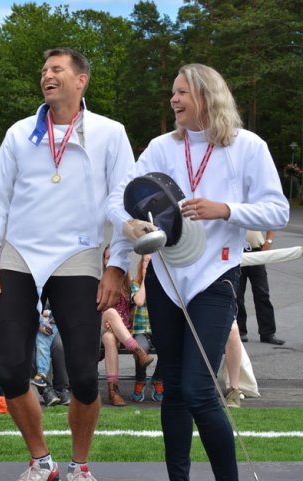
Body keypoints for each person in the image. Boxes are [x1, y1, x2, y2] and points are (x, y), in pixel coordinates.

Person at [107, 63, 289, 481]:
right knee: (172, 388)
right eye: (173, 92)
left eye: (182, 92)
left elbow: (277, 208)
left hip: (216, 277)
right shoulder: (159, 147)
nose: (174, 99)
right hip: (166, 280)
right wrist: (127, 224)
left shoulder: (248, 146)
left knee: (197, 388)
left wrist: (225, 209)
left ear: (208, 96)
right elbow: (118, 197)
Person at [0, 47, 135, 481]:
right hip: (21, 253)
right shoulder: (19, 133)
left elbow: (124, 202)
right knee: (10, 369)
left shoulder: (110, 132)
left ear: (81, 80)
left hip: (78, 254)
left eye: (57, 69)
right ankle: (41, 460)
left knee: (84, 376)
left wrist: (116, 266)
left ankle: (80, 465)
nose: (47, 75)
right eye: (44, 69)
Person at [100, 247, 154, 407]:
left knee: (110, 338)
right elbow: (97, 310)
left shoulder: (127, 283)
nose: (111, 261)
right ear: (103, 261)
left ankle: (113, 391)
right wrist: (107, 320)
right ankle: (137, 350)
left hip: (123, 333)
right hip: (103, 326)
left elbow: (133, 309)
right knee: (109, 314)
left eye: (115, 257)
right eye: (108, 257)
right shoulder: (100, 282)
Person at [236, 230, 284, 345]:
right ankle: (239, 331)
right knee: (237, 295)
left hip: (257, 252)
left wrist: (268, 241)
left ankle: (267, 334)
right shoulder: (234, 211)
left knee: (262, 294)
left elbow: (271, 225)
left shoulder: (256, 211)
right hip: (237, 253)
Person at [129, 255, 163, 403]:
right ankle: (140, 380)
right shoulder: (135, 285)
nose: (148, 265)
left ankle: (158, 379)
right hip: (141, 331)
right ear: (141, 265)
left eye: (151, 262)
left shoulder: (163, 285)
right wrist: (145, 278)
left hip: (159, 330)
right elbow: (139, 300)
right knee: (141, 347)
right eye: (146, 262)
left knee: (168, 346)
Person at [32, 307, 70, 407]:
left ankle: (62, 389)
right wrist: (39, 323)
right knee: (39, 346)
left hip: (57, 323)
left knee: (59, 346)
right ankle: (46, 389)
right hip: (33, 324)